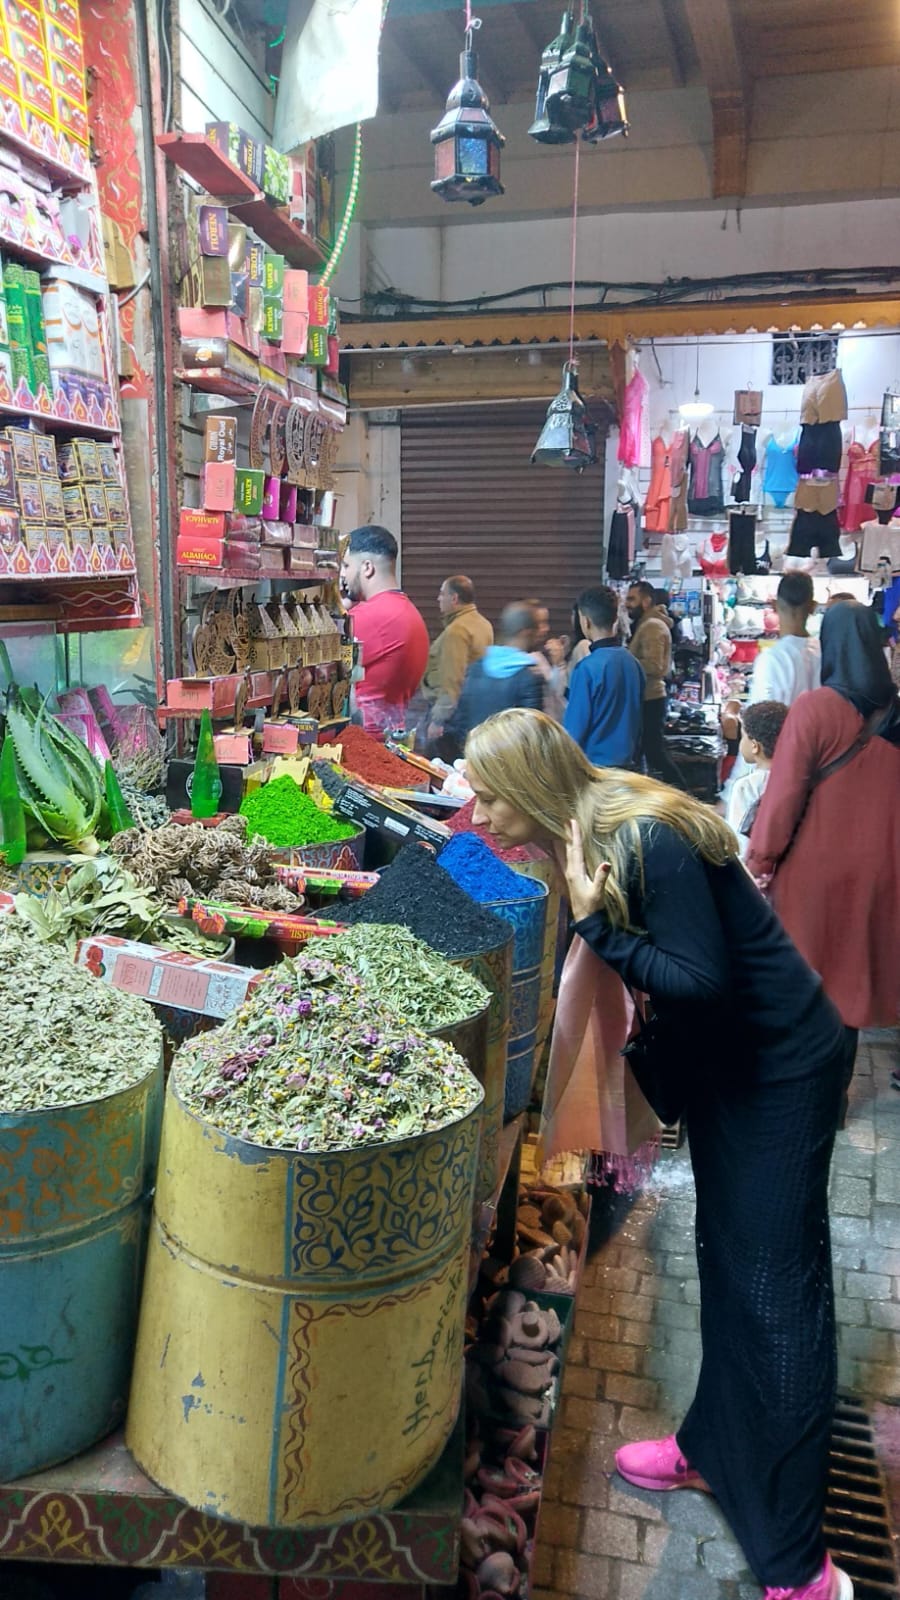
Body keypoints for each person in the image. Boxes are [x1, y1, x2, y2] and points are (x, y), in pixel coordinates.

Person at [464, 708, 853, 1600]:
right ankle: (710, 1451)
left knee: (778, 1300)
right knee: (729, 1270)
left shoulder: (641, 841)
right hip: (735, 1067)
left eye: (488, 794)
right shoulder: (596, 826)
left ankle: (803, 1566)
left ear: (529, 787)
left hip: (781, 1070)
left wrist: (599, 927)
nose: (477, 811)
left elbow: (702, 982)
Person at [747, 600, 900, 1035]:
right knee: (853, 982)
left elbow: (783, 795)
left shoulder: (815, 708)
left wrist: (759, 859)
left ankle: (819, 1089)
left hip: (815, 871)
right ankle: (842, 1069)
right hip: (883, 869)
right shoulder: (895, 712)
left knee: (811, 987)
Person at [340, 525, 429, 736]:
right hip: (391, 734)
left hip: (365, 742)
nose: (343, 574)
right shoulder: (406, 611)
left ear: (367, 567)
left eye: (346, 565)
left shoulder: (371, 617)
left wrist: (340, 607)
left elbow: (315, 662)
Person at [563, 587, 645, 768]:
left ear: (585, 621)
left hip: (596, 768)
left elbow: (574, 731)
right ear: (615, 618)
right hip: (628, 767)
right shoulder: (633, 663)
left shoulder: (587, 669)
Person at [446, 603, 544, 746]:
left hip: (475, 755)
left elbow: (461, 719)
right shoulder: (529, 675)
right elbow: (532, 732)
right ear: (527, 632)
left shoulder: (476, 668)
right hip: (510, 761)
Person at [625, 580, 685, 789]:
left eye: (632, 599)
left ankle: (682, 792)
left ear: (647, 600)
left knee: (654, 751)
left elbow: (656, 666)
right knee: (647, 750)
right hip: (647, 697)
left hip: (650, 698)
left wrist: (625, 661)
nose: (627, 604)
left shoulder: (652, 626)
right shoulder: (647, 624)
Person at [422, 576, 493, 749]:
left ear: (454, 599)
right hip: (471, 708)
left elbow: (452, 680)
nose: (438, 599)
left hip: (451, 715)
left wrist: (438, 720)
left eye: (442, 594)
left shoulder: (457, 631)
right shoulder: (483, 624)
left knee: (440, 764)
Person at [723, 700, 788, 859]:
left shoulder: (748, 786)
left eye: (743, 737)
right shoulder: (798, 778)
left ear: (754, 746)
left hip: (757, 870)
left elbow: (739, 842)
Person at [747, 571, 821, 706]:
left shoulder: (771, 658)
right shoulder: (825, 653)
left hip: (784, 727)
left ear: (774, 605)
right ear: (813, 607)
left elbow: (762, 717)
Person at [526, 597, 566, 720]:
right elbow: (554, 694)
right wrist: (559, 665)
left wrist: (558, 663)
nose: (545, 628)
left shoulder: (539, 656)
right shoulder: (529, 660)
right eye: (540, 623)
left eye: (546, 622)